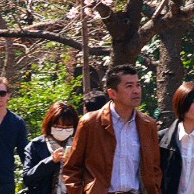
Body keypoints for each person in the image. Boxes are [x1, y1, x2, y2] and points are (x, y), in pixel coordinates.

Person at [62, 64, 162, 194]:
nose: (136, 91)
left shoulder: (148, 124)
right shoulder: (90, 123)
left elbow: (154, 169)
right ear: (112, 93)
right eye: (129, 86)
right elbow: (72, 168)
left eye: (138, 85)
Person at [23, 101, 79, 194]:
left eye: (68, 127)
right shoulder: (36, 145)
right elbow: (28, 179)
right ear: (50, 125)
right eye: (58, 126)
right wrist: (51, 161)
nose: (63, 130)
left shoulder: (77, 145)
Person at [0, 76, 29, 194]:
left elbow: (24, 153)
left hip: (6, 180)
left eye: (2, 93)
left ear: (8, 95)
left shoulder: (17, 122)